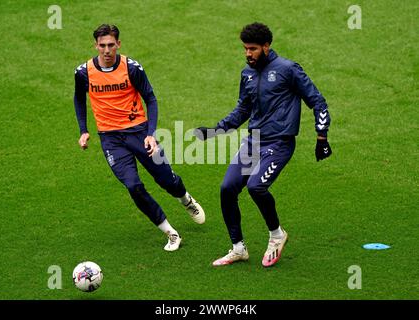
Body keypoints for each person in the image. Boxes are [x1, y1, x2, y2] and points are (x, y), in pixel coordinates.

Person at [194, 22, 332, 267]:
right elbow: (243, 109)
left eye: (253, 49)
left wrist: (322, 137)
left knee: (256, 186)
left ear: (267, 47)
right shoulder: (247, 74)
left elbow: (318, 101)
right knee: (227, 189)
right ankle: (238, 248)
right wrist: (216, 130)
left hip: (279, 143)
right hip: (254, 142)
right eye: (245, 49)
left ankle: (277, 235)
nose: (248, 54)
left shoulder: (288, 70)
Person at [73, 24, 205, 252]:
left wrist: (151, 135)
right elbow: (78, 99)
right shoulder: (83, 73)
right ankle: (170, 233)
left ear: (118, 44)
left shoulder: (131, 68)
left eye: (111, 45)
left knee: (167, 180)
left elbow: (150, 99)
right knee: (133, 186)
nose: (106, 50)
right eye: (102, 45)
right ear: (95, 45)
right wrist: (83, 130)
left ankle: (185, 199)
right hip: (110, 139)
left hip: (139, 132)